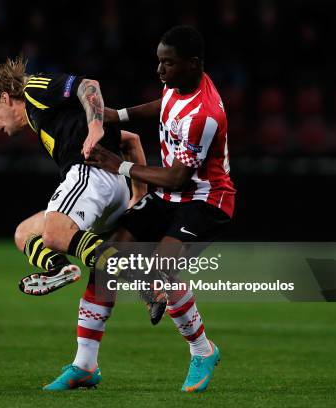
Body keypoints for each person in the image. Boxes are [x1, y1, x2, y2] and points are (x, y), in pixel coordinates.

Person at [0, 57, 148, 390]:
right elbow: (131, 141)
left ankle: (142, 276)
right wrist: (137, 198)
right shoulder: (51, 120)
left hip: (93, 176)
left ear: (7, 98)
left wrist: (96, 124)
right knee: (26, 233)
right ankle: (84, 362)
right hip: (111, 187)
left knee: (55, 233)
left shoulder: (33, 89)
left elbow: (89, 86)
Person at [85, 25, 236, 393]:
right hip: (172, 197)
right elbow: (164, 104)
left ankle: (202, 351)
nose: (160, 71)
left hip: (205, 199)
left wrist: (118, 165)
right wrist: (116, 115)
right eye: (159, 62)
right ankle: (84, 363)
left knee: (162, 268)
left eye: (167, 64)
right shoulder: (181, 83)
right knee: (111, 256)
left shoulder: (205, 115)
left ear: (193, 63)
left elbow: (179, 179)